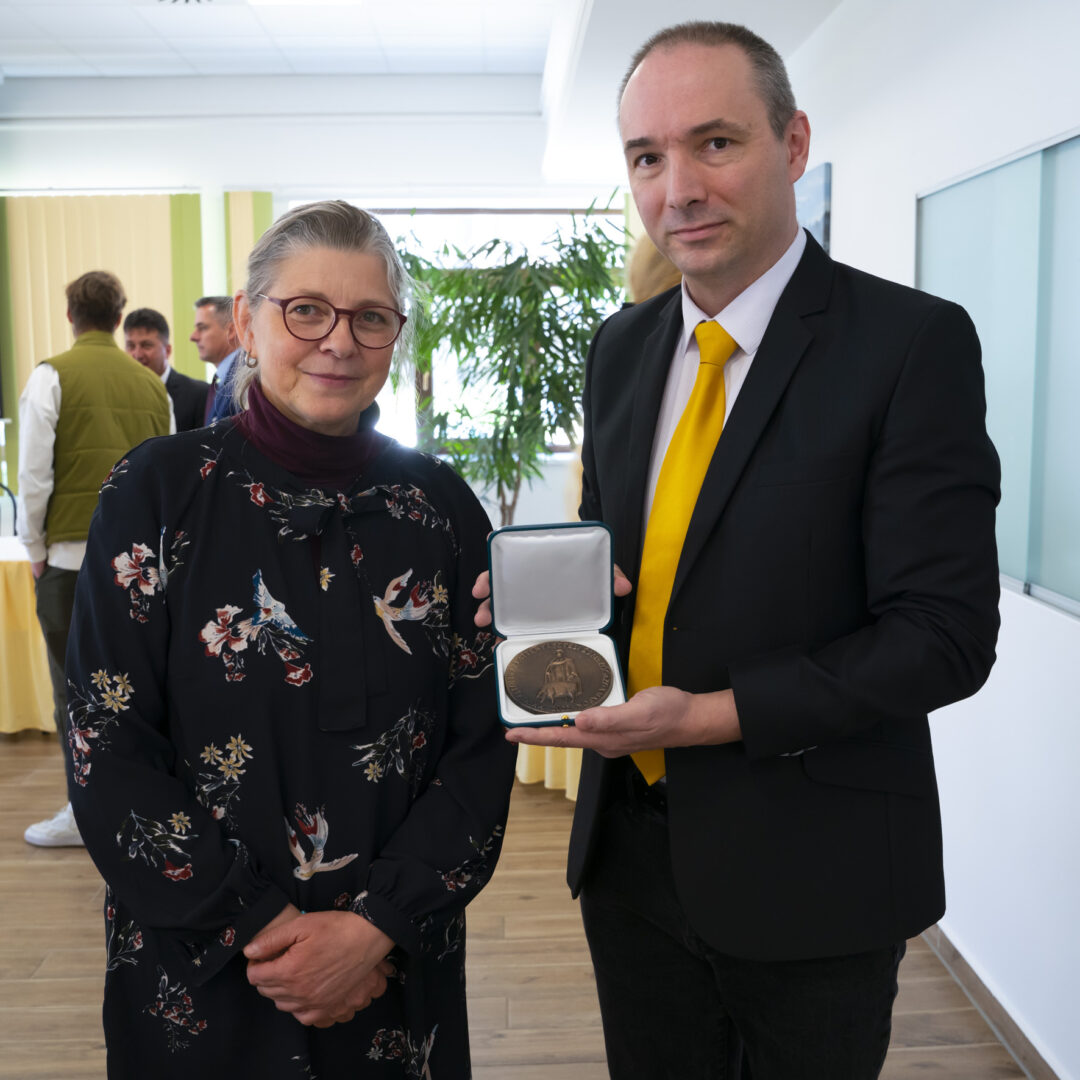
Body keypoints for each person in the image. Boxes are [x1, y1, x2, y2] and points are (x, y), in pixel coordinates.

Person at [475, 20, 1000, 1079]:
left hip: (816, 868)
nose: (678, 190)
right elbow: (626, 564)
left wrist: (710, 718)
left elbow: (943, 638)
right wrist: (554, 599)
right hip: (629, 856)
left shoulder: (909, 344)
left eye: (714, 143)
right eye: (646, 157)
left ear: (793, 144)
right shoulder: (622, 348)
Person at [66, 201, 517, 1077]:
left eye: (371, 318)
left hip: (393, 964)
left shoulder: (440, 506)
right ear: (246, 319)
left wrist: (372, 929)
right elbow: (105, 743)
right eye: (305, 310)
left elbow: (481, 742)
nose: (338, 342)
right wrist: (263, 929)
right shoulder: (157, 490)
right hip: (204, 965)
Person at [16, 270, 172, 848]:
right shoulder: (151, 385)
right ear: (118, 317)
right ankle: (141, 807)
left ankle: (83, 813)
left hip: (70, 559)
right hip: (142, 567)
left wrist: (34, 549)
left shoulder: (51, 376)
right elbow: (169, 481)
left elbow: (34, 475)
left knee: (73, 693)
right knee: (140, 691)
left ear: (70, 316)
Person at [124, 307, 210, 432]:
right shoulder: (119, 394)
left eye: (146, 346)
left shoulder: (200, 395)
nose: (137, 355)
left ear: (167, 350)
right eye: (131, 346)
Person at [190, 295, 241, 423]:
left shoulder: (244, 380)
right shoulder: (225, 379)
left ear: (231, 330)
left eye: (202, 328)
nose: (193, 337)